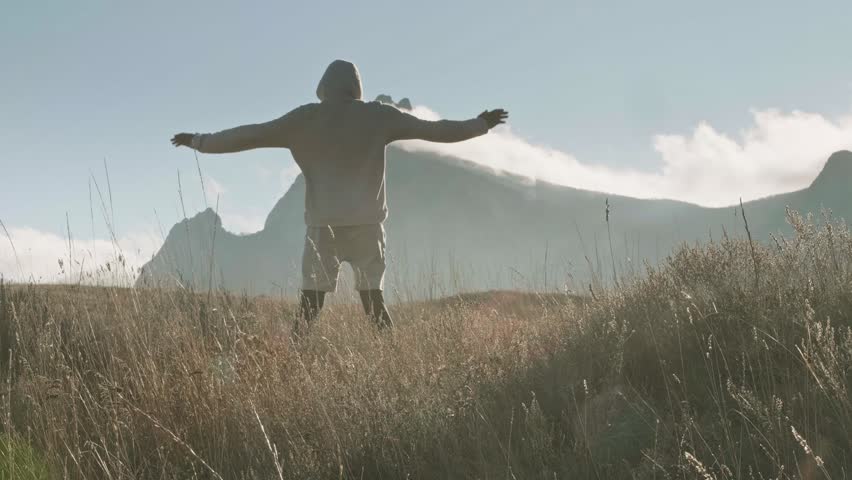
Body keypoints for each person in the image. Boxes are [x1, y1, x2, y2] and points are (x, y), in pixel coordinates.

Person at [172, 59, 508, 335]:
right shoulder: (378, 116)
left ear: (323, 88)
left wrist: (199, 141)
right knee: (374, 303)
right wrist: (480, 124)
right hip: (367, 227)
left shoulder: (304, 119)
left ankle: (296, 361)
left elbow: (249, 135)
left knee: (310, 306)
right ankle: (391, 358)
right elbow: (435, 131)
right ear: (356, 87)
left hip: (324, 228)